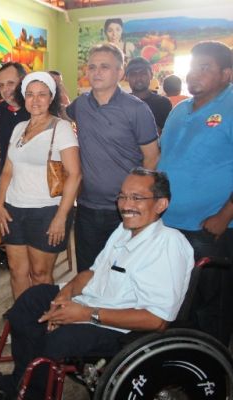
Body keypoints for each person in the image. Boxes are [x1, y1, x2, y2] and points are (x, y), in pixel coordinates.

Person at [0, 168, 194, 400]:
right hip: (91, 303)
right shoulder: (124, 230)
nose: (126, 205)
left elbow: (157, 320)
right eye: (122, 196)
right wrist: (65, 295)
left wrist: (86, 314)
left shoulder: (169, 245)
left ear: (161, 204)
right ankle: (21, 381)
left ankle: (32, 394)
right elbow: (92, 273)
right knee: (30, 301)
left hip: (120, 328)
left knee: (59, 339)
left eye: (136, 197)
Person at [158, 41, 233, 345]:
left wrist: (224, 215)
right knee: (176, 302)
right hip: (169, 225)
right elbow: (165, 158)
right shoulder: (179, 110)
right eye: (192, 67)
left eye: (205, 68)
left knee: (211, 309)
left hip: (210, 229)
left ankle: (212, 366)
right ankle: (181, 359)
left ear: (226, 74)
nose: (194, 74)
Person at [66, 43, 160, 272]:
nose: (96, 72)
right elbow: (59, 118)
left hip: (125, 210)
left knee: (121, 275)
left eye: (104, 67)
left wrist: (139, 200)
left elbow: (152, 158)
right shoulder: (80, 105)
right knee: (87, 274)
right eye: (92, 67)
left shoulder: (136, 109)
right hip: (87, 208)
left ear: (119, 72)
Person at [0, 72, 81, 300]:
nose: (35, 100)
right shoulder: (19, 128)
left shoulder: (61, 128)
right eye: (30, 94)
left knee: (41, 274)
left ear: (51, 97)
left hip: (46, 211)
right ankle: (22, 318)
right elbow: (8, 170)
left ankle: (42, 319)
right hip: (14, 209)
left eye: (42, 94)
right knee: (17, 272)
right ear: (24, 98)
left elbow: (75, 175)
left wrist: (61, 216)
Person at [0, 62, 29, 172]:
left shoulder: (37, 111)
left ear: (23, 82)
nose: (5, 89)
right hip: (6, 178)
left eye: (10, 83)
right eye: (1, 85)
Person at [126, 57, 172, 133]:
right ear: (127, 78)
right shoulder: (121, 103)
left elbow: (166, 134)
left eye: (143, 73)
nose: (138, 78)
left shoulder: (163, 103)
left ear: (151, 75)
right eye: (133, 74)